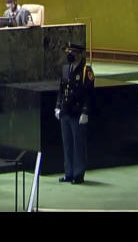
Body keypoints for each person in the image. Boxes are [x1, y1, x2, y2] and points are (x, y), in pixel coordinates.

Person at [55, 41, 94, 184]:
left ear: (79, 54)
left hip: (77, 113)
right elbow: (61, 90)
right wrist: (58, 106)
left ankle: (78, 174)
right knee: (67, 144)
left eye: (73, 52)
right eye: (69, 52)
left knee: (78, 145)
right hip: (65, 112)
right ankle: (69, 173)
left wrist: (85, 112)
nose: (70, 55)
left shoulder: (86, 71)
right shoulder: (66, 69)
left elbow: (89, 94)